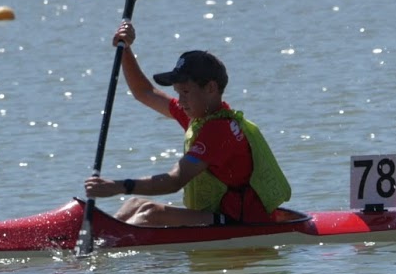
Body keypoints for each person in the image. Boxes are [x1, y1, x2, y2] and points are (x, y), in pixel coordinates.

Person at [82, 21, 292, 227]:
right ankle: (100, 235)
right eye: (177, 93)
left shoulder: (218, 131)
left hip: (241, 221)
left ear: (210, 88)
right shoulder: (199, 116)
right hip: (217, 214)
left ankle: (104, 244)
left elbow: (175, 181)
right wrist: (125, 49)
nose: (180, 101)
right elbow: (144, 92)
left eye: (185, 92)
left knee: (151, 214)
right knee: (135, 203)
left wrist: (117, 186)